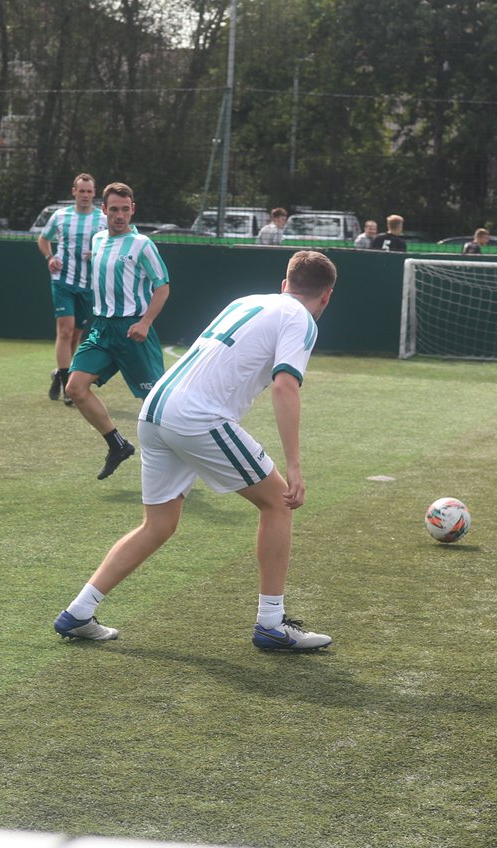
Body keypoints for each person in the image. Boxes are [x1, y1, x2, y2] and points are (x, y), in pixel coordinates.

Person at [54, 249, 337, 651]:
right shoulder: (301, 319)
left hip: (155, 410)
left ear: (284, 284)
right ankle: (272, 624)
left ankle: (78, 612)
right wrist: (294, 466)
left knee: (159, 524)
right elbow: (284, 385)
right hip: (197, 417)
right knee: (279, 502)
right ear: (326, 296)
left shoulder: (247, 300)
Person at [64, 182, 170, 481]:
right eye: (114, 209)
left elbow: (162, 287)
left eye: (125, 209)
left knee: (157, 403)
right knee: (74, 388)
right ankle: (117, 445)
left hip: (132, 330)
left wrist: (145, 322)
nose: (120, 215)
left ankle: (178, 461)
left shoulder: (142, 245)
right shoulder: (98, 240)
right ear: (104, 211)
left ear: (133, 209)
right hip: (101, 329)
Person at [37, 173, 106, 402]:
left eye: (89, 191)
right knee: (65, 331)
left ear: (94, 194)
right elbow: (43, 239)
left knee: (76, 334)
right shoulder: (60, 215)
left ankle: (60, 373)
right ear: (73, 192)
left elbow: (112, 244)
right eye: (81, 191)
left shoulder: (102, 218)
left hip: (88, 285)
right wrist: (49, 258)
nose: (85, 195)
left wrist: (96, 253)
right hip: (63, 280)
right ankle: (68, 386)